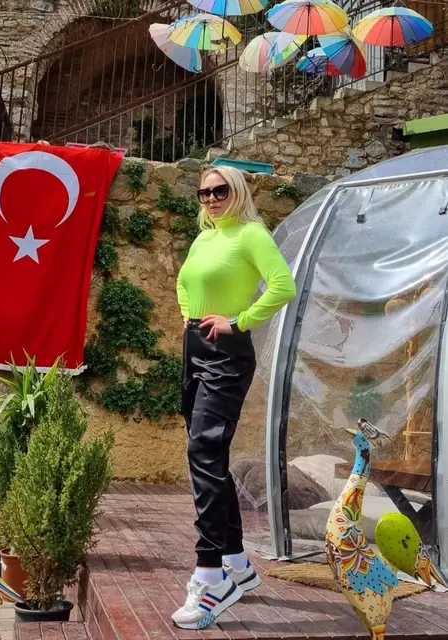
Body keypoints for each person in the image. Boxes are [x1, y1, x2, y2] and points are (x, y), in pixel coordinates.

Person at [172, 166, 296, 630]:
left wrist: (239, 321)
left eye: (219, 190)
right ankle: (239, 564)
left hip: (227, 353)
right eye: (203, 193)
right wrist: (188, 315)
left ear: (237, 191)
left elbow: (283, 285)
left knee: (204, 451)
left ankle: (211, 574)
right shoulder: (204, 238)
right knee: (209, 456)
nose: (211, 199)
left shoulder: (250, 235)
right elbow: (184, 282)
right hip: (195, 347)